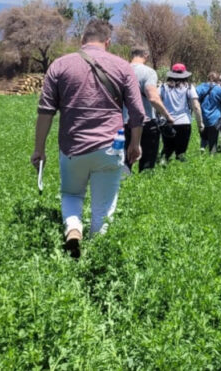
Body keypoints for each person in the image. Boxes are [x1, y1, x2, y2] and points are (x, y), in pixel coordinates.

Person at [31, 19, 145, 258]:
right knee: (103, 208)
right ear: (108, 41)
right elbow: (137, 113)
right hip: (110, 148)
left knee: (72, 194)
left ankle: (73, 229)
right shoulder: (123, 67)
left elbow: (45, 111)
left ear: (82, 39)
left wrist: (39, 149)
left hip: (73, 147)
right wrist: (135, 144)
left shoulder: (60, 65)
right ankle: (95, 258)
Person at [126, 48, 175, 173]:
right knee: (147, 166)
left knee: (123, 163)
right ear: (146, 55)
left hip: (123, 123)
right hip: (146, 122)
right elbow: (153, 98)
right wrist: (167, 116)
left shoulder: (121, 69)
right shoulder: (148, 72)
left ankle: (123, 187)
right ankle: (144, 188)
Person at [159, 63, 203, 163]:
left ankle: (163, 164)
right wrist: (200, 123)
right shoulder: (189, 87)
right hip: (184, 122)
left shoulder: (163, 87)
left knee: (167, 148)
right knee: (181, 151)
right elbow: (196, 106)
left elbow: (155, 101)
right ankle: (180, 167)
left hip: (167, 122)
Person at [196, 71, 221, 154]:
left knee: (203, 135)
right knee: (213, 139)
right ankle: (212, 154)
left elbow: (195, 100)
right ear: (217, 80)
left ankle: (202, 149)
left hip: (202, 117)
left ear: (207, 78)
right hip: (215, 118)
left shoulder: (199, 87)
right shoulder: (219, 89)